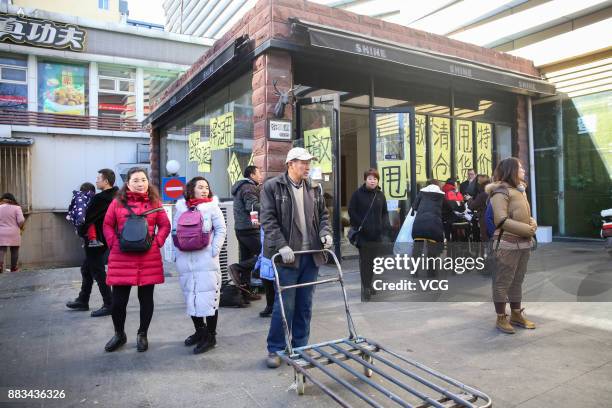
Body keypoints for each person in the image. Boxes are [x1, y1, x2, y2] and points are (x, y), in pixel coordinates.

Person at [261, 147, 332, 368]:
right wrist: (281, 245)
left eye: (309, 162)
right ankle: (276, 349)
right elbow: (268, 219)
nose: (307, 166)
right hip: (287, 258)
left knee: (305, 305)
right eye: (303, 162)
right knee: (285, 305)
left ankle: (301, 346)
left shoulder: (315, 187)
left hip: (310, 255)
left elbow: (323, 216)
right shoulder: (273, 187)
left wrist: (325, 233)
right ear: (290, 163)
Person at [102, 167, 170, 352]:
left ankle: (142, 334)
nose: (140, 184)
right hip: (121, 258)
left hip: (148, 257)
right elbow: (107, 225)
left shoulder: (155, 202)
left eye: (143, 180)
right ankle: (119, 334)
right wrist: (113, 244)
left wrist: (157, 242)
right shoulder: (117, 203)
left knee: (146, 299)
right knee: (118, 302)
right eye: (136, 180)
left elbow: (165, 225)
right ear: (128, 183)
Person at [173, 177, 226, 354]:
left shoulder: (213, 208)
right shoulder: (180, 208)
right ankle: (199, 331)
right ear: (191, 189)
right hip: (185, 260)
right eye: (200, 187)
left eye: (206, 187)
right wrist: (176, 254)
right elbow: (175, 232)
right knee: (191, 296)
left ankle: (211, 336)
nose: (204, 190)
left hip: (206, 259)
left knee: (209, 297)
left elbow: (221, 230)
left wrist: (214, 250)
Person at [486, 158, 537, 334]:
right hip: (507, 243)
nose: (523, 170)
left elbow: (524, 214)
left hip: (523, 242)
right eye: (520, 167)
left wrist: (532, 223)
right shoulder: (500, 191)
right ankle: (501, 317)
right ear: (511, 170)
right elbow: (500, 219)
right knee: (502, 282)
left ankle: (516, 314)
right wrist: (527, 229)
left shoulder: (519, 189)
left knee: (517, 280)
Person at [66, 169, 118, 317]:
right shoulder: (116, 196)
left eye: (98, 178)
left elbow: (87, 218)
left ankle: (109, 304)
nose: (96, 181)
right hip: (107, 237)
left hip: (96, 239)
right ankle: (83, 299)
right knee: (87, 269)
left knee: (97, 271)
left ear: (106, 181)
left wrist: (81, 231)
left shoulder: (100, 198)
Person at [348, 168, 392, 300]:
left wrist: (385, 227)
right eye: (370, 178)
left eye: (375, 179)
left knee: (373, 262)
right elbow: (351, 211)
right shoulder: (357, 194)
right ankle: (366, 286)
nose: (372, 181)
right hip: (363, 235)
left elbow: (384, 213)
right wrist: (360, 225)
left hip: (376, 235)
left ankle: (369, 284)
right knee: (365, 262)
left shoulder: (380, 195)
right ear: (365, 179)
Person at [228, 165, 263, 306]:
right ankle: (236, 267)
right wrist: (270, 207)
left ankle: (244, 294)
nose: (261, 175)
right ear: (252, 174)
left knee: (247, 260)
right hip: (249, 229)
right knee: (265, 256)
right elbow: (252, 207)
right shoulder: (249, 187)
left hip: (241, 228)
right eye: (259, 172)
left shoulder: (241, 187)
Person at [411, 179, 446, 276]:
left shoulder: (421, 193)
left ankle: (414, 271)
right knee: (432, 249)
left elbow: (414, 206)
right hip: (434, 225)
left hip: (419, 224)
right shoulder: (441, 195)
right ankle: (431, 272)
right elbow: (446, 209)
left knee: (417, 249)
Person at [66, 182, 104, 247]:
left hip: (76, 217)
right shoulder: (86, 197)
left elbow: (71, 206)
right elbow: (83, 207)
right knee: (91, 224)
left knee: (84, 228)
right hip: (83, 216)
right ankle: (93, 240)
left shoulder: (77, 196)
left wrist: (69, 214)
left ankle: (86, 241)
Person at [0, 193, 25, 273]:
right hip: (14, 232)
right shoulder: (17, 208)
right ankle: (13, 268)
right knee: (14, 250)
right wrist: (20, 226)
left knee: (1, 249)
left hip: (1, 232)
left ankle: (0, 266)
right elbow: (21, 220)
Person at [468, 175, 492, 243]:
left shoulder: (482, 194)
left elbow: (473, 206)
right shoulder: (492, 191)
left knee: (487, 240)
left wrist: (469, 199)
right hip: (492, 219)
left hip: (484, 218)